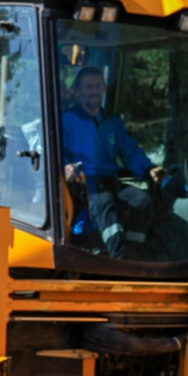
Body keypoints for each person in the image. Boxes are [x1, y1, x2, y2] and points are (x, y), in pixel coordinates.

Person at [61, 67, 163, 257]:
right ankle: (118, 258)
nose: (94, 91)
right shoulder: (67, 120)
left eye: (98, 86)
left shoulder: (112, 122)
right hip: (83, 181)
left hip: (109, 178)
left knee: (142, 200)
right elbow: (57, 152)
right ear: (77, 90)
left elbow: (130, 152)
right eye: (88, 86)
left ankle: (135, 252)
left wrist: (149, 168)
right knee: (104, 202)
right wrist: (65, 166)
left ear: (105, 88)